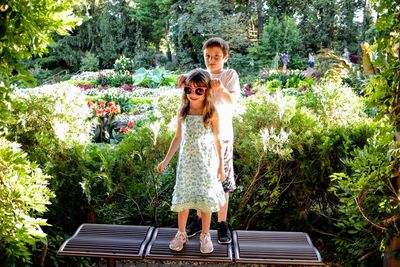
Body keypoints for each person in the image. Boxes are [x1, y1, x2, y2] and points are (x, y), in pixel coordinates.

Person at [178, 37, 240, 245]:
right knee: (200, 179)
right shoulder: (199, 74)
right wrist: (180, 80)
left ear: (225, 57)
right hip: (201, 141)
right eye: (207, 56)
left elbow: (233, 101)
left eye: (216, 56)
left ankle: (222, 224)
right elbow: (187, 90)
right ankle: (197, 221)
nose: (211, 60)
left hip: (222, 137)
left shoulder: (229, 75)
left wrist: (221, 88)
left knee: (222, 180)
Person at [157, 68, 226, 254]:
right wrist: (166, 160)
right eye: (188, 89)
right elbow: (177, 138)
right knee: (184, 201)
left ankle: (205, 235)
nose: (192, 94)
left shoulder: (211, 112)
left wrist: (221, 165)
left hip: (206, 165)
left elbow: (218, 140)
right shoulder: (183, 111)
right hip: (186, 165)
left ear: (207, 91)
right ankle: (181, 233)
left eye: (198, 90)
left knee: (205, 202)